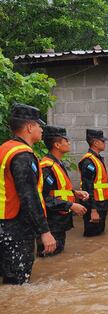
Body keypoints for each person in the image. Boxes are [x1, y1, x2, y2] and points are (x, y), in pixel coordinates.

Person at [0, 103, 56, 284]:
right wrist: (44, 231)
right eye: (39, 125)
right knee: (18, 283)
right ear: (30, 127)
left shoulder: (5, 149)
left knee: (8, 278)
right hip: (16, 227)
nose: (41, 129)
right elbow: (28, 196)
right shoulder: (22, 155)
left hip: (4, 223)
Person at [37, 126, 89, 256]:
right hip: (51, 223)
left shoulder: (58, 163)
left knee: (57, 256)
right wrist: (71, 205)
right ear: (57, 145)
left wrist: (74, 193)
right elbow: (43, 198)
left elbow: (57, 190)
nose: (69, 143)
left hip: (59, 221)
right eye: (66, 140)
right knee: (49, 258)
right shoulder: (47, 167)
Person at [78, 129, 108, 237]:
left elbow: (104, 184)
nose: (105, 143)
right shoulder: (88, 161)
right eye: (103, 141)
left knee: (99, 234)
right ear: (95, 142)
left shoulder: (97, 158)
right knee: (92, 235)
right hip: (94, 205)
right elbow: (87, 187)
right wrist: (93, 210)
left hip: (102, 203)